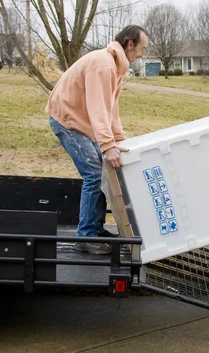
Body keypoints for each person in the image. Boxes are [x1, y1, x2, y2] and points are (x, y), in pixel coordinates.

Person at [46, 25, 148, 255]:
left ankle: (95, 228)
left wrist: (119, 140)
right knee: (94, 173)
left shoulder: (115, 67)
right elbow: (97, 108)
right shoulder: (103, 65)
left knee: (103, 172)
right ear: (130, 44)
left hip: (81, 122)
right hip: (67, 121)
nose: (143, 54)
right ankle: (86, 236)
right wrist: (107, 145)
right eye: (142, 48)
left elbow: (111, 109)